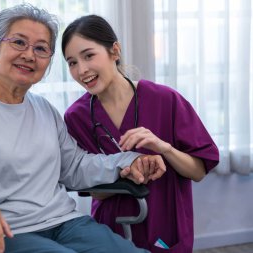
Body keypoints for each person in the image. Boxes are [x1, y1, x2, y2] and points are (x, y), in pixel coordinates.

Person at [0, 5, 166, 253]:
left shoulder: (45, 110)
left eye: (40, 48)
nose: (29, 55)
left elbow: (74, 167)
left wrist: (129, 161)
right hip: (2, 234)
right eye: (19, 42)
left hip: (64, 224)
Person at [62, 15, 220, 253]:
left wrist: (163, 147)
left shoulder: (166, 100)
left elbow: (197, 171)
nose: (81, 70)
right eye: (72, 62)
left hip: (165, 221)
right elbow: (95, 192)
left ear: (114, 51)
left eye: (88, 55)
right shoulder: (77, 116)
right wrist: (124, 172)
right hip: (112, 228)